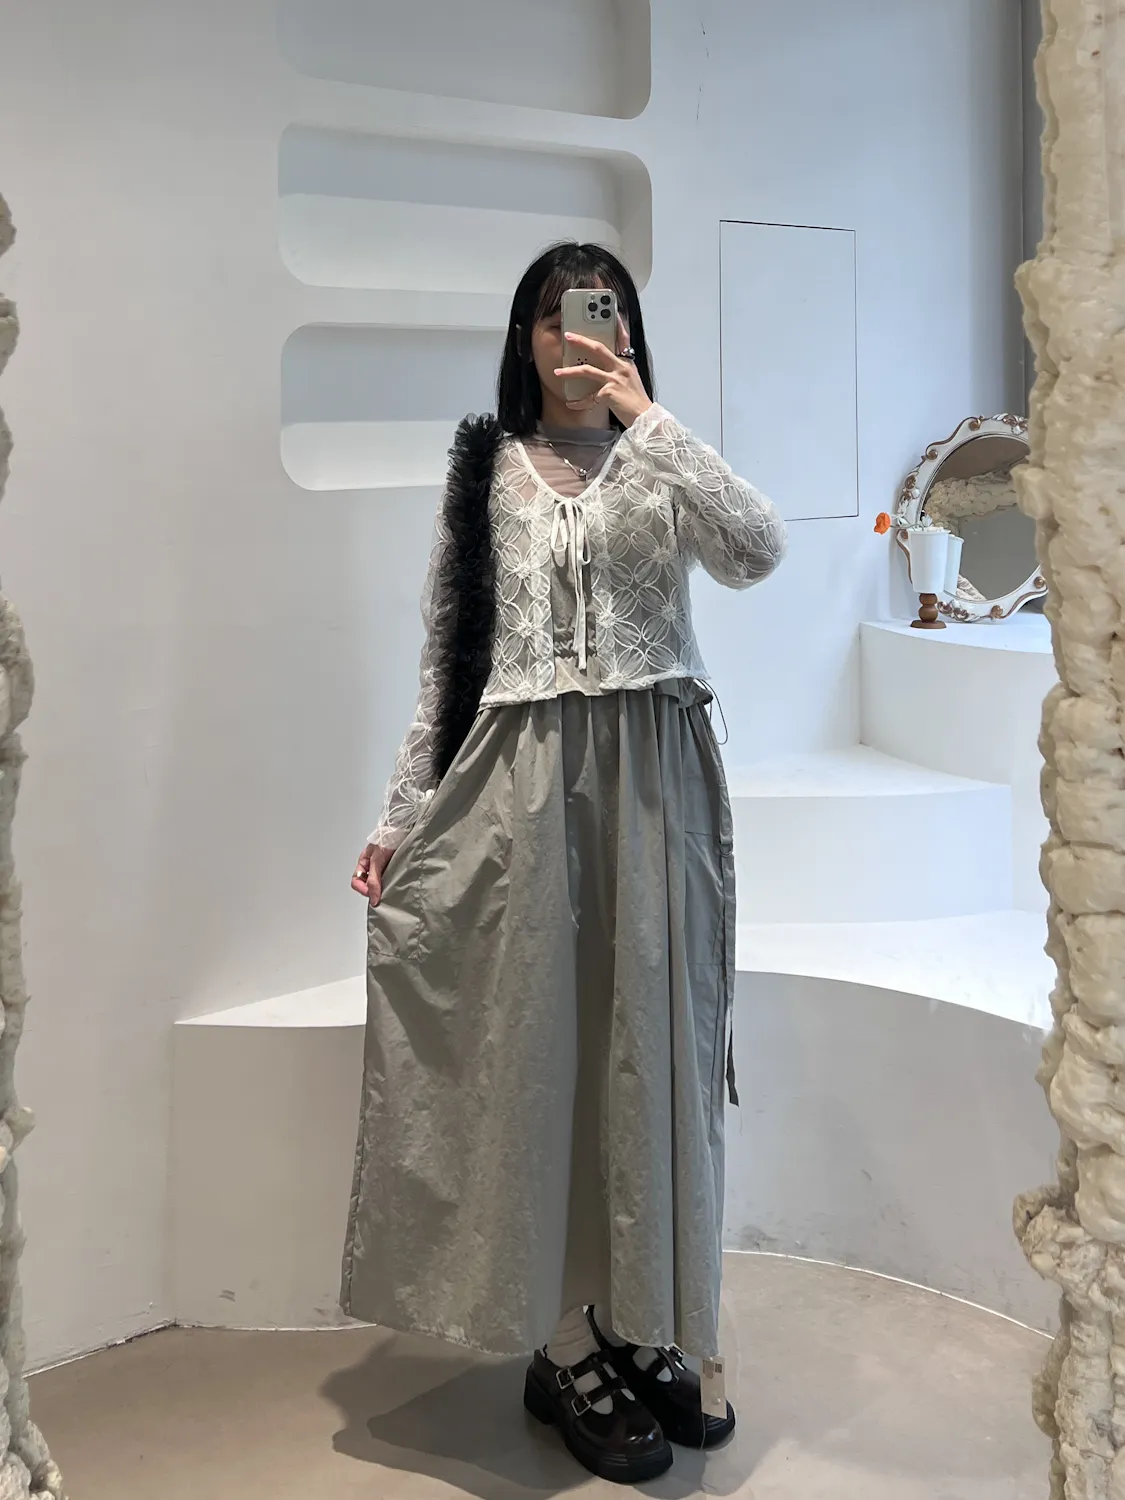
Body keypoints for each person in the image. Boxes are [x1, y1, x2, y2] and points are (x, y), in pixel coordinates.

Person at [341, 241, 786, 1485]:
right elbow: (447, 661)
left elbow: (757, 550)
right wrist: (398, 818)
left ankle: (639, 1317)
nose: (579, 335)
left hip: (655, 791)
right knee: (537, 1058)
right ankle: (561, 1342)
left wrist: (651, 420)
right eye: (556, 316)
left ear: (628, 331)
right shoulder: (484, 470)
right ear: (525, 337)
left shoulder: (660, 457)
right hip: (521, 795)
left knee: (650, 1052)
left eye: (603, 313)